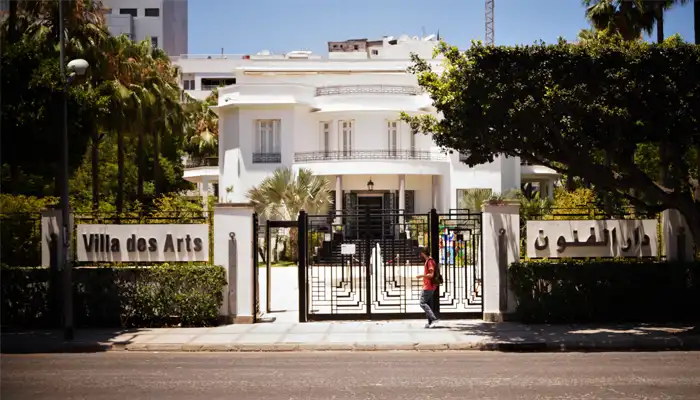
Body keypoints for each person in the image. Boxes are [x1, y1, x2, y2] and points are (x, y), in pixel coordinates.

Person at [416, 248, 439, 328]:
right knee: (427, 303)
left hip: (428, 286)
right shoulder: (429, 261)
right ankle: (430, 322)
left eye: (421, 253)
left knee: (422, 303)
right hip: (428, 285)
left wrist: (421, 276)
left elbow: (431, 275)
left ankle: (433, 319)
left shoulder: (429, 261)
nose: (420, 255)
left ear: (423, 253)